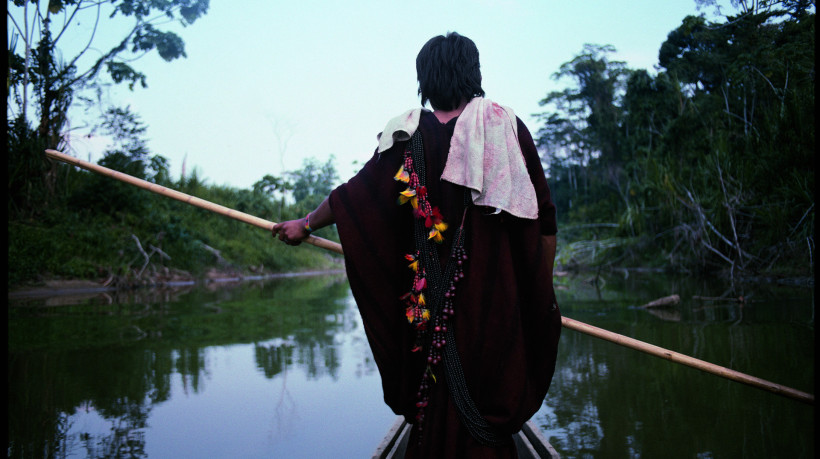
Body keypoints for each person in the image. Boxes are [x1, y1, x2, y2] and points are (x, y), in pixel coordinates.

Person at [272, 32, 561, 458]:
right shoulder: (507, 128)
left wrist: (306, 223)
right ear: (473, 75)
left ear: (424, 80)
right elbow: (543, 224)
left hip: (425, 312)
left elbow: (353, 200)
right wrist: (538, 292)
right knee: (488, 398)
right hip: (493, 307)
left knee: (434, 393)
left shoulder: (405, 137)